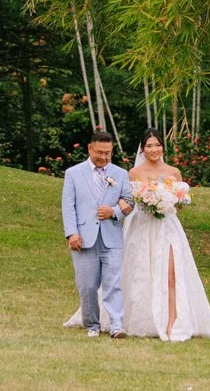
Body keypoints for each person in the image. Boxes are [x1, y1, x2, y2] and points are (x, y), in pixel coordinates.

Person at [121, 132, 210, 340]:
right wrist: (149, 201)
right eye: (149, 146)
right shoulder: (134, 173)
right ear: (142, 149)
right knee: (142, 273)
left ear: (163, 147)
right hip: (143, 228)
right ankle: (145, 320)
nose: (154, 150)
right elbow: (132, 202)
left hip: (168, 228)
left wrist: (170, 200)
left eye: (158, 145)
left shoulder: (173, 172)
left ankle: (173, 322)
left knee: (172, 274)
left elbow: (181, 204)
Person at [60, 128, 133, 337]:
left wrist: (114, 212)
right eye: (99, 152)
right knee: (87, 286)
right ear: (90, 148)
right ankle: (92, 324)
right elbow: (68, 206)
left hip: (112, 238)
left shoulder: (120, 174)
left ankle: (117, 325)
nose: (103, 157)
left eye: (108, 153)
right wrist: (71, 233)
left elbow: (129, 202)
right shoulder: (73, 173)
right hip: (84, 238)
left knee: (113, 283)